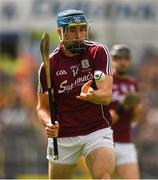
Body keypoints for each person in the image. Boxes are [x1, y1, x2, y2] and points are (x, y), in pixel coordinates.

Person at [37, 9, 115, 179]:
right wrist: (48, 124)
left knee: (104, 176)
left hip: (96, 130)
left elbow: (106, 95)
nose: (79, 34)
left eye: (82, 29)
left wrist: (92, 95)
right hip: (64, 135)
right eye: (72, 30)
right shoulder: (48, 65)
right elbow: (42, 107)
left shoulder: (97, 52)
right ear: (60, 32)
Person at [109, 44, 143, 179]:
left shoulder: (133, 83)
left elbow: (133, 119)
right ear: (112, 59)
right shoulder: (106, 81)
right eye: (118, 58)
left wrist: (137, 111)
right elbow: (105, 121)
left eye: (126, 58)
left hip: (126, 141)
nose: (122, 62)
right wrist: (123, 107)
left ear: (129, 60)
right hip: (105, 141)